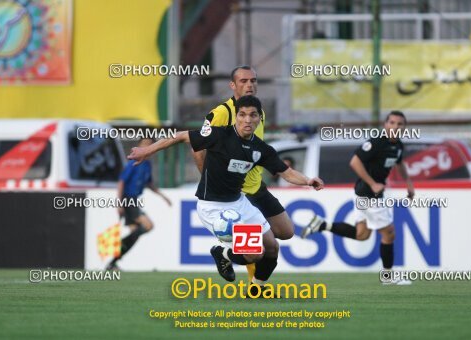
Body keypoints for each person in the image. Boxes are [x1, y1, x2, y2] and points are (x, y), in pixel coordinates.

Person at [128, 96, 324, 294]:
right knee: (255, 254)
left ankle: (256, 290)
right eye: (242, 115)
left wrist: (308, 181)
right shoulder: (218, 135)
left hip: (239, 203)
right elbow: (180, 136)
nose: (247, 120)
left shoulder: (261, 149)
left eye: (253, 115)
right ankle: (223, 252)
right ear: (236, 117)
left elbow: (287, 172)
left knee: (272, 247)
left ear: (259, 119)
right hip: (212, 207)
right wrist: (147, 150)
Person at [192, 65, 295, 281]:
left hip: (255, 186)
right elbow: (198, 148)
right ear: (233, 85)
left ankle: (233, 252)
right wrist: (210, 180)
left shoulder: (259, 112)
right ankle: (255, 284)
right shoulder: (222, 113)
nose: (249, 85)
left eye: (253, 81)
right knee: (259, 248)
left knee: (285, 232)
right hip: (234, 193)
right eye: (243, 81)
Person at [301, 111, 414, 285]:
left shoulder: (398, 145)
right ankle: (388, 276)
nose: (395, 127)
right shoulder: (377, 142)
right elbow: (355, 161)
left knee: (362, 234)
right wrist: (373, 183)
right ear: (386, 124)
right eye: (392, 123)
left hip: (363, 193)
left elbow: (399, 164)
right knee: (389, 233)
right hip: (370, 193)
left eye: (400, 124)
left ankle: (322, 224)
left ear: (404, 127)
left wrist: (408, 183)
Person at [106, 138, 172, 270]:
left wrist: (163, 197)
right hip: (128, 199)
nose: (147, 148)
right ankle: (116, 246)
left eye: (150, 145)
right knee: (148, 225)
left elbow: (149, 184)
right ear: (140, 147)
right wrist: (119, 203)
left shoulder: (147, 165)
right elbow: (121, 182)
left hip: (134, 200)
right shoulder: (133, 163)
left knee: (135, 234)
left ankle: (113, 262)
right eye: (144, 145)